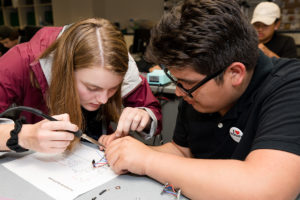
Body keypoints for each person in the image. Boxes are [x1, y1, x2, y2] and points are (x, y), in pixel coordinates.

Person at [102, 1, 300, 199]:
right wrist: (129, 152)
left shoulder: (290, 85)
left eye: (186, 82)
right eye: (176, 81)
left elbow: (266, 189)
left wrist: (146, 160)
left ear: (235, 73)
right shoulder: (197, 91)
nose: (179, 93)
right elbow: (182, 151)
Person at [0, 18, 162, 153]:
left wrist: (143, 118)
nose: (104, 100)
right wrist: (23, 136)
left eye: (113, 88)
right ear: (66, 70)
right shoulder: (18, 62)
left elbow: (151, 111)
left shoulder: (119, 63)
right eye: (92, 88)